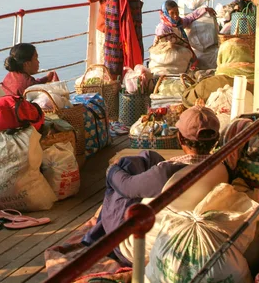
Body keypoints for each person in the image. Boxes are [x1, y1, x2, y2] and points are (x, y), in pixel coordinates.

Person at [83, 106, 236, 265]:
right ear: (216, 139)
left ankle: (95, 237)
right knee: (150, 156)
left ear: (180, 139)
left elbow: (126, 187)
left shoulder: (167, 173)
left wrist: (112, 169)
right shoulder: (222, 167)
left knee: (118, 177)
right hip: (180, 221)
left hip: (134, 248)